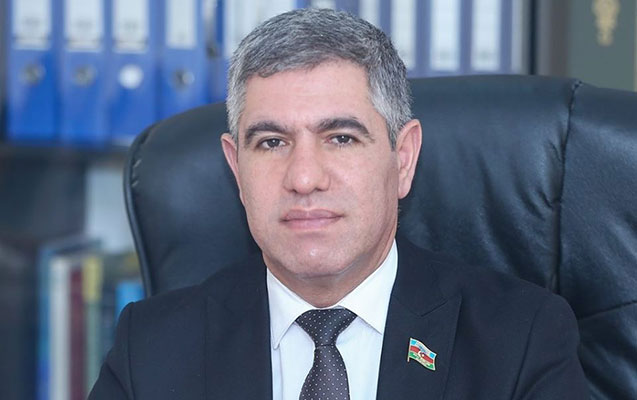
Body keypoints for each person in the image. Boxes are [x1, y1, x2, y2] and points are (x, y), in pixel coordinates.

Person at [89, 8, 588, 399]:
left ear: (403, 159)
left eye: (341, 138)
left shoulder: (520, 340)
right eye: (272, 143)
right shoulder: (151, 348)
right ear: (236, 169)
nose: (304, 178)